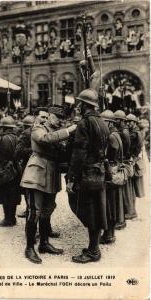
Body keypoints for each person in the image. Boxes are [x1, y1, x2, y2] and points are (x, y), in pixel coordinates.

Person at [21, 106, 77, 264]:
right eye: (57, 118)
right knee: (34, 211)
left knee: (47, 210)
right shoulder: (39, 128)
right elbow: (44, 139)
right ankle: (29, 247)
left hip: (51, 174)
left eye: (62, 119)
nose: (60, 121)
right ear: (50, 116)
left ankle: (44, 243)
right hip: (36, 174)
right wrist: (68, 131)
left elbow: (62, 151)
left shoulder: (55, 132)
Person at [67, 89, 110, 263]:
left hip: (87, 174)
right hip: (99, 171)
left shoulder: (84, 124)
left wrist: (71, 177)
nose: (77, 106)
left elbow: (79, 154)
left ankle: (93, 251)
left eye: (80, 103)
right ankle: (94, 247)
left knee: (88, 210)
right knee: (97, 209)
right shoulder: (102, 122)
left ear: (85, 105)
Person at [0, 116, 21, 227]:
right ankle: (12, 218)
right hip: (15, 169)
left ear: (3, 127)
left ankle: (7, 219)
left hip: (4, 170)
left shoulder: (1, 138)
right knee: (14, 194)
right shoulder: (17, 138)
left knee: (5, 195)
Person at [100, 110, 123, 244]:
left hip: (111, 171)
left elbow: (110, 156)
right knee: (112, 203)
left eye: (103, 121)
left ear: (108, 122)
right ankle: (110, 233)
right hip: (115, 169)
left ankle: (108, 234)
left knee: (109, 204)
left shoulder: (111, 136)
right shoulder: (116, 134)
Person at [127, 114, 144, 207]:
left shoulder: (135, 133)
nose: (128, 123)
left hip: (133, 160)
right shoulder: (133, 132)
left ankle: (132, 207)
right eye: (127, 121)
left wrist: (133, 157)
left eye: (130, 122)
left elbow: (138, 147)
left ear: (134, 123)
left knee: (132, 185)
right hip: (133, 159)